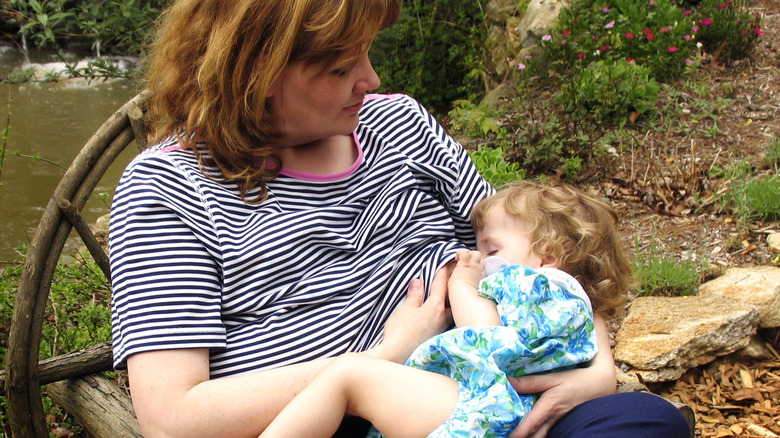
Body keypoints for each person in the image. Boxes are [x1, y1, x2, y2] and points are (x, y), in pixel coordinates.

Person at [108, 0, 692, 437]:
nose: (372, 79)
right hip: (335, 423)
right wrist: (382, 360)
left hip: (490, 398)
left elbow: (535, 250)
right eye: (340, 68)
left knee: (641, 422)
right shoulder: (166, 189)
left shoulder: (402, 127)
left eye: (366, 53)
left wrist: (596, 361)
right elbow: (173, 419)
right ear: (253, 73)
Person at [257, 181, 665, 437]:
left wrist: (462, 286)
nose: (478, 256)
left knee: (349, 375)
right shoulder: (567, 303)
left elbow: (487, 338)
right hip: (516, 410)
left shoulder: (529, 283)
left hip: (489, 408)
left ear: (548, 255)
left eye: (491, 249)